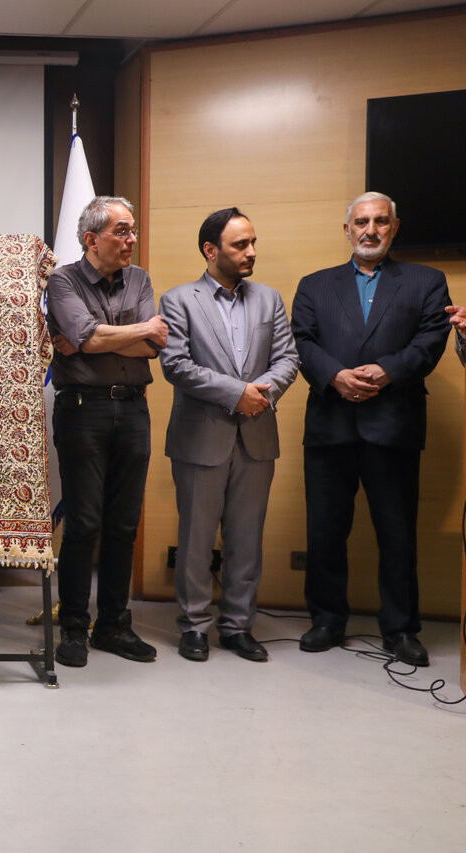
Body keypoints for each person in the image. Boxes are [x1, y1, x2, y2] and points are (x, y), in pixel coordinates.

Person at [291, 191, 450, 667]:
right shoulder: (314, 285)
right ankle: (326, 620)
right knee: (324, 532)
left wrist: (386, 371)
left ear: (394, 228)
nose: (370, 230)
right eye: (361, 221)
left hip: (393, 425)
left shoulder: (427, 281)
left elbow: (431, 339)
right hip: (330, 423)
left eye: (381, 221)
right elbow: (302, 341)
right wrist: (336, 376)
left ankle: (400, 630)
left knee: (397, 535)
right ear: (347, 230)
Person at [159, 208, 299, 662]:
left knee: (246, 539)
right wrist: (237, 393)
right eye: (241, 244)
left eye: (253, 242)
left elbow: (288, 359)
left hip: (257, 436)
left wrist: (261, 394)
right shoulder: (178, 300)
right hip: (201, 439)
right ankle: (194, 627)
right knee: (196, 540)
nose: (251, 252)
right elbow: (176, 365)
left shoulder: (269, 299)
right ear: (210, 250)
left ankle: (238, 627)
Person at [46, 196, 167, 668]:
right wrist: (122, 334)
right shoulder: (63, 280)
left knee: (124, 524)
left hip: (133, 409)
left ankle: (114, 625)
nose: (131, 239)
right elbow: (89, 335)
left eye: (133, 230)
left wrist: (93, 341)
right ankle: (75, 627)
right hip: (83, 410)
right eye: (122, 231)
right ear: (91, 239)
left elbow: (154, 345)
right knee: (84, 523)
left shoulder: (140, 279)